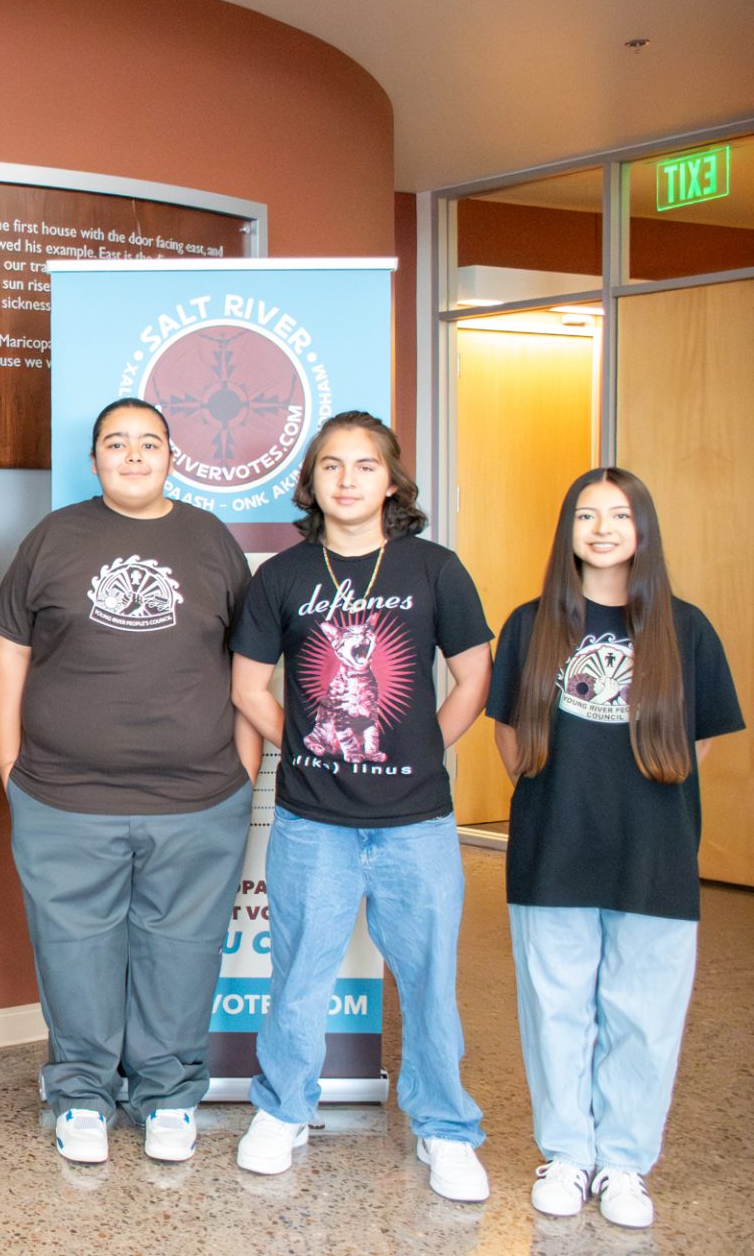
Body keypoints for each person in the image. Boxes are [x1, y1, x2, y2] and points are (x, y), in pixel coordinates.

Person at [230, 410, 495, 1202]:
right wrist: (308, 744)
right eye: (331, 466)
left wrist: (424, 747)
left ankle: (445, 1129)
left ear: (391, 480)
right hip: (313, 821)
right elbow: (248, 688)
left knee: (429, 981)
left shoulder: (435, 568)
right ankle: (282, 1112)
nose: (348, 479)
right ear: (310, 482)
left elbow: (474, 677)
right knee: (299, 976)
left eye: (365, 465)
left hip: (417, 822)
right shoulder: (281, 577)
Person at [0, 398, 256, 1164]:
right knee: (73, 950)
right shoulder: (55, 538)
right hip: (63, 797)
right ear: (95, 458)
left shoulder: (208, 540)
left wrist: (242, 766)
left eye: (148, 443)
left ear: (172, 456)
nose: (132, 456)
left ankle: (169, 1095)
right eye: (116, 443)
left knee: (184, 948)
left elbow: (248, 661)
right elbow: (9, 650)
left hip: (199, 798)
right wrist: (9, 763)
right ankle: (80, 1094)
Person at [487, 468, 741, 1228]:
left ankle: (626, 1162)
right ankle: (567, 1154)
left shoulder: (685, 628)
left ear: (643, 530)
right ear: (567, 530)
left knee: (644, 1013)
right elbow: (508, 736)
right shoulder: (532, 625)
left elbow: (701, 746)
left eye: (619, 515)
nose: (602, 528)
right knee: (556, 1008)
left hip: (655, 854)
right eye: (586, 515)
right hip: (553, 846)